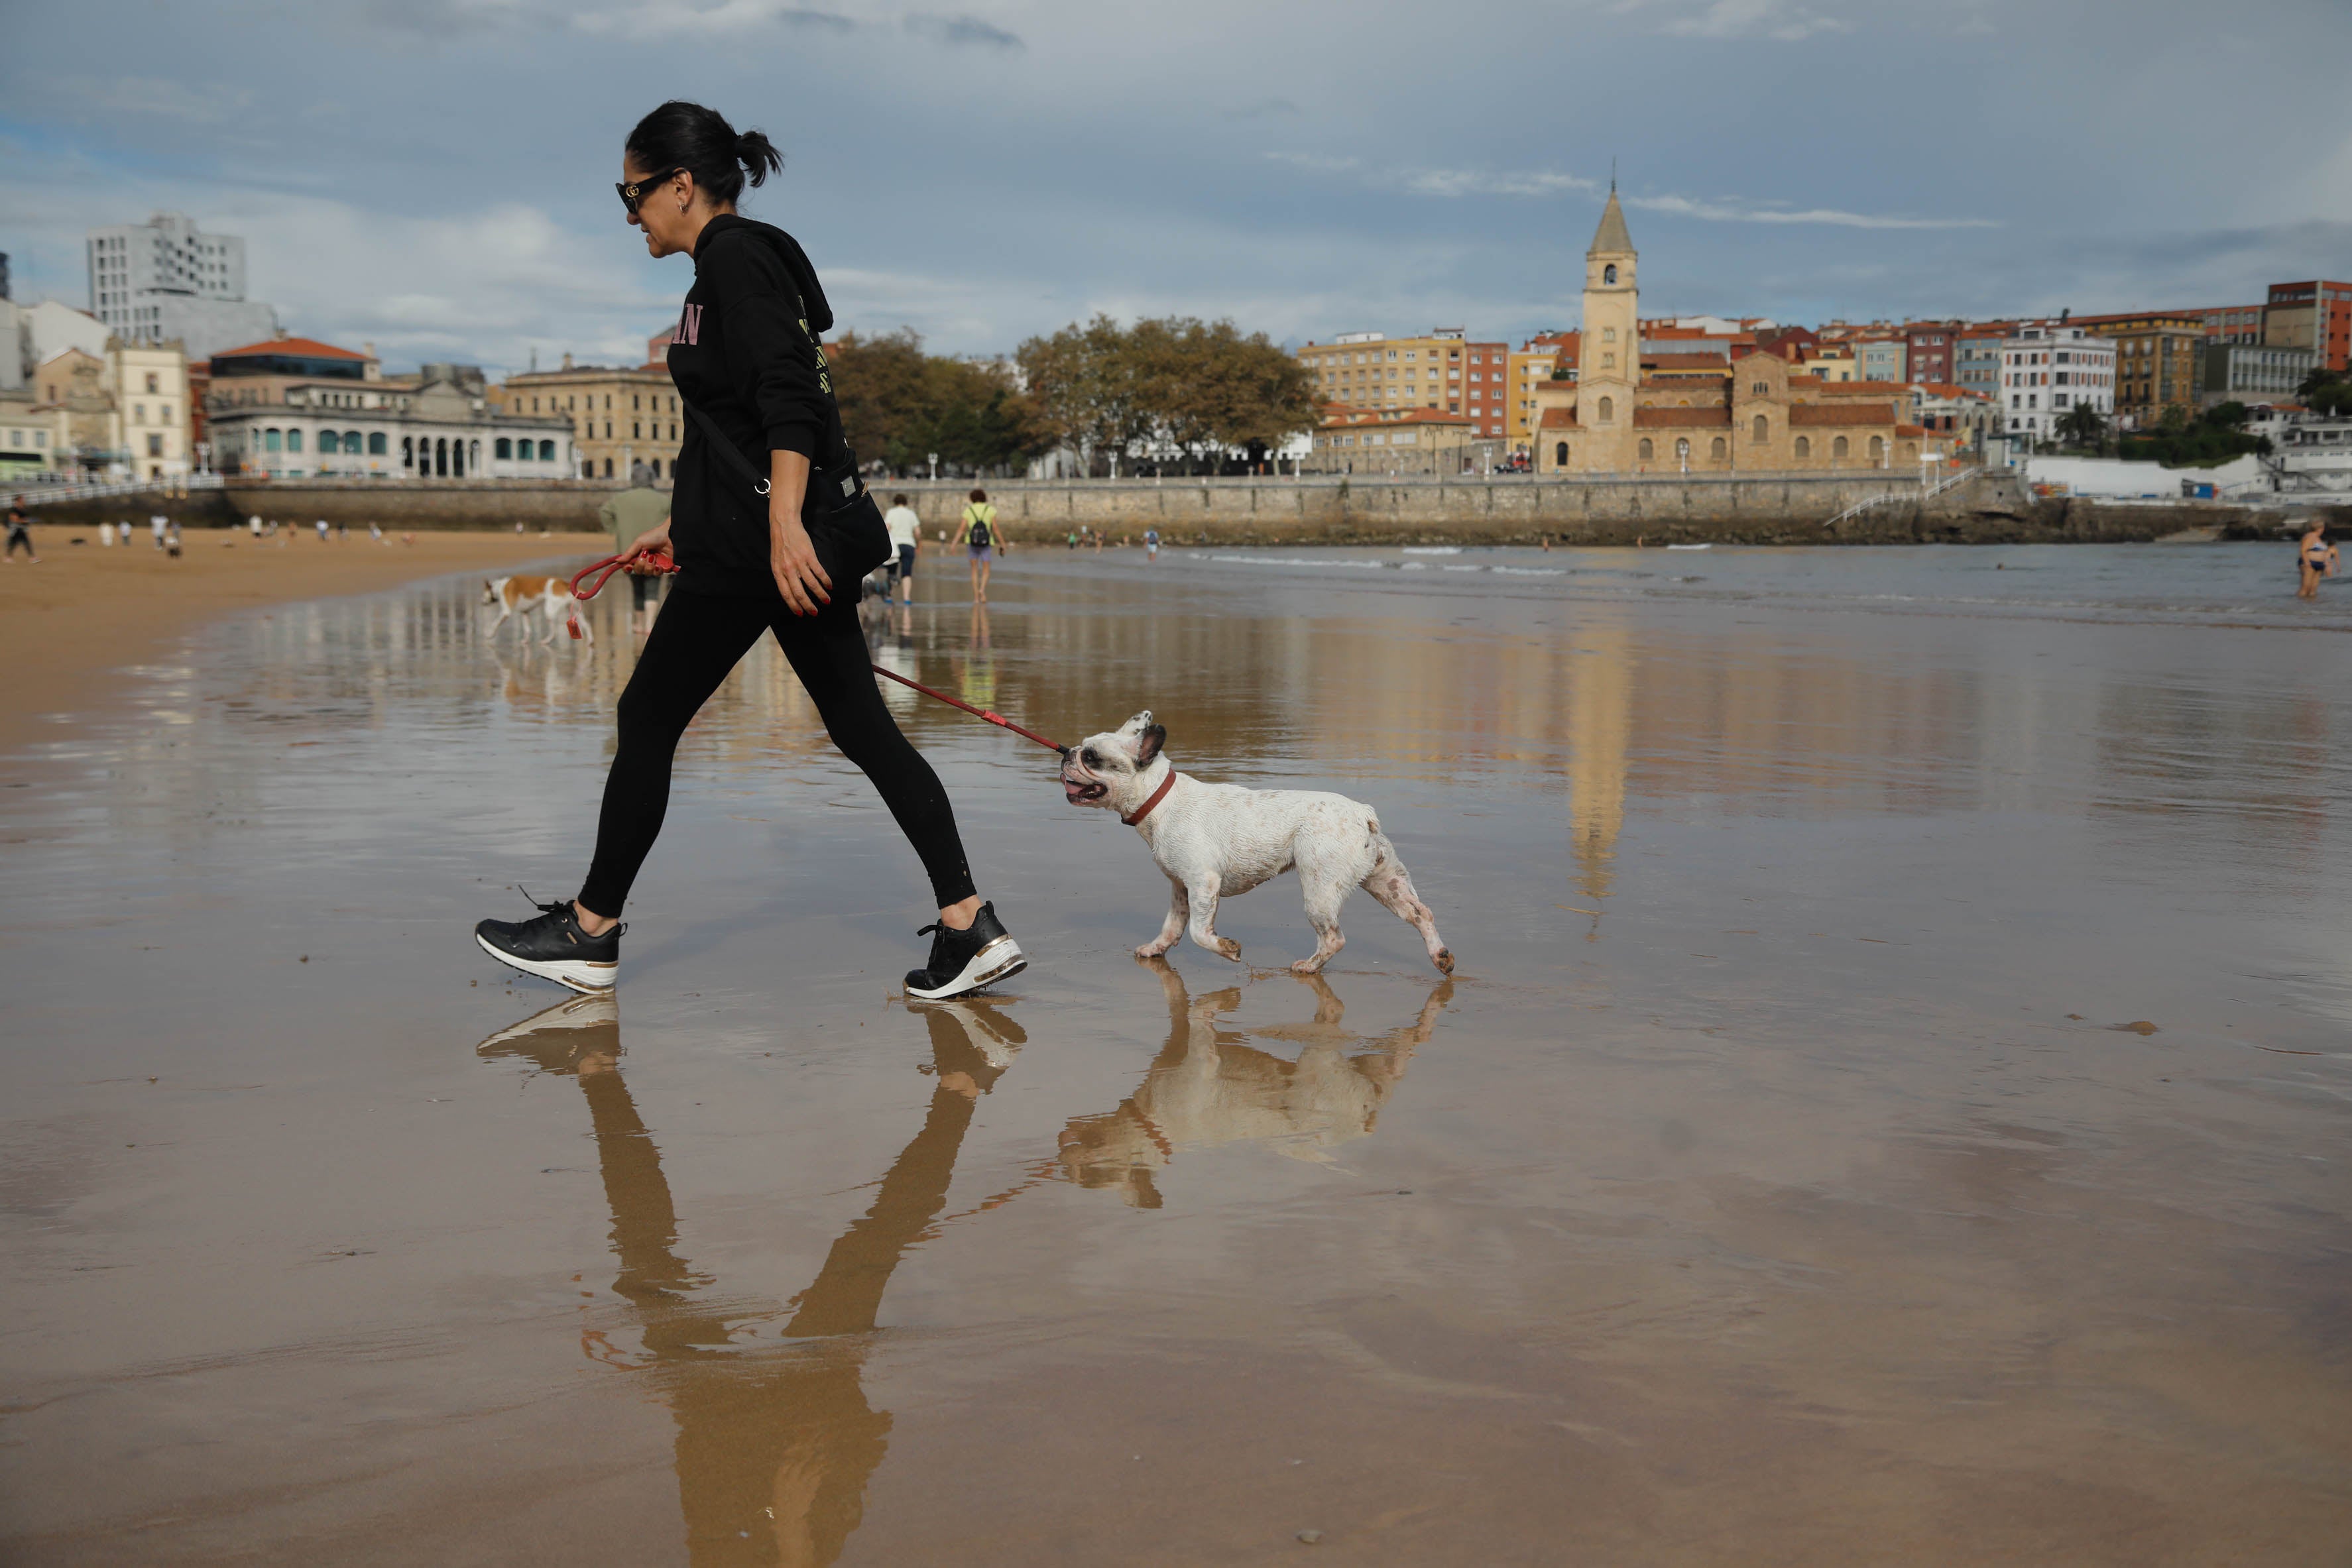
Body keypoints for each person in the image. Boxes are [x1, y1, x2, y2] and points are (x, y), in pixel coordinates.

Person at [475, 99, 1023, 1003]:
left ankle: (590, 928)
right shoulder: (726, 270)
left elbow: (787, 404)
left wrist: (779, 528)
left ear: (680, 185)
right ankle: (968, 922)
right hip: (744, 541)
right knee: (861, 727)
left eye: (634, 192)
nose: (629, 214)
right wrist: (681, 525)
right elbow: (727, 429)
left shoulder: (734, 260)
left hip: (759, 553)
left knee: (648, 715)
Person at [599, 478, 674, 634]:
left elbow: (604, 511)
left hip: (630, 549)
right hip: (656, 551)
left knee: (637, 587)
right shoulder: (664, 500)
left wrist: (614, 530)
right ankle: (649, 624)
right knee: (652, 587)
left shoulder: (620, 499)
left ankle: (639, 624)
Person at [955, 487, 1004, 601]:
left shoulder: (968, 511)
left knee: (974, 569)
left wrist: (954, 543)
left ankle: (976, 597)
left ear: (972, 499)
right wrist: (1002, 543)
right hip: (987, 543)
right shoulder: (990, 510)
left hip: (971, 542)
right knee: (986, 568)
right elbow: (995, 529)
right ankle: (982, 590)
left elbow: (962, 529)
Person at [882, 492, 921, 604]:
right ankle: (907, 598)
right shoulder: (911, 514)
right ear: (906, 503)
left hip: (895, 546)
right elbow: (918, 532)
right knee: (907, 573)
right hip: (909, 545)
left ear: (895, 502)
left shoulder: (891, 513)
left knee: (891, 572)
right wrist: (919, 545)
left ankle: (889, 596)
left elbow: (887, 528)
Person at [2297, 519, 2337, 600]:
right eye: (2323, 527)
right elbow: (2303, 550)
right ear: (2320, 528)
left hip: (2320, 564)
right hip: (2309, 563)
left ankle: (2312, 607)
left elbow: (2325, 553)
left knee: (2313, 589)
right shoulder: (2310, 536)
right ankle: (2298, 606)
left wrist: (2328, 564)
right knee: (2306, 587)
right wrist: (2307, 563)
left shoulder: (2318, 538)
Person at [4, 498, 36, 564]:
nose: (24, 502)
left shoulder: (23, 510)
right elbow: (14, 519)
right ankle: (32, 558)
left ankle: (32, 558)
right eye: (22, 501)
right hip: (16, 530)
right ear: (18, 502)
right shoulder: (14, 510)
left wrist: (28, 521)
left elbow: (24, 518)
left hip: (22, 529)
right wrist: (25, 521)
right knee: (18, 543)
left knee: (23, 543)